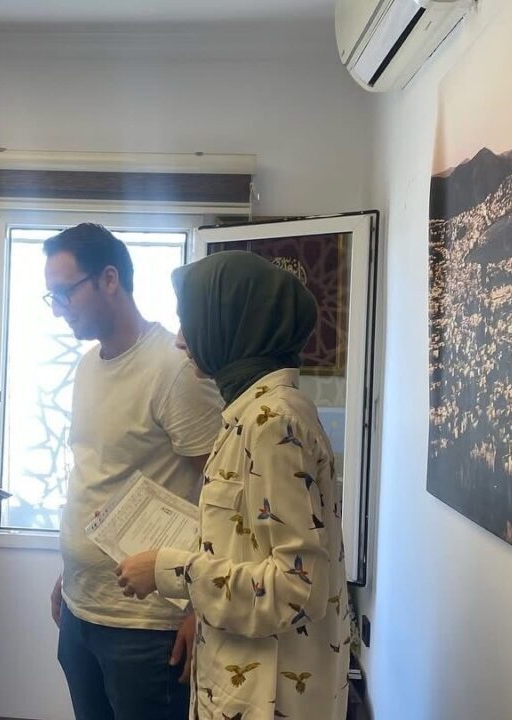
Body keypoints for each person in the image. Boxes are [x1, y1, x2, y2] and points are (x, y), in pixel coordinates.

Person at [115, 251, 351, 720]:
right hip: (241, 680)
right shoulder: (249, 414)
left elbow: (296, 588)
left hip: (270, 696)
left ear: (235, 325)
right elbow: (245, 543)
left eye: (190, 322)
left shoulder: (272, 422)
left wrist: (171, 571)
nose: (180, 340)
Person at [44, 224, 224, 720]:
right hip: (81, 610)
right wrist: (71, 571)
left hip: (148, 625)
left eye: (65, 292)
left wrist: (202, 606)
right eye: (51, 296)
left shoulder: (173, 369)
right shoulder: (87, 365)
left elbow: (224, 494)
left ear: (109, 279)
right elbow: (99, 477)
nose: (58, 308)